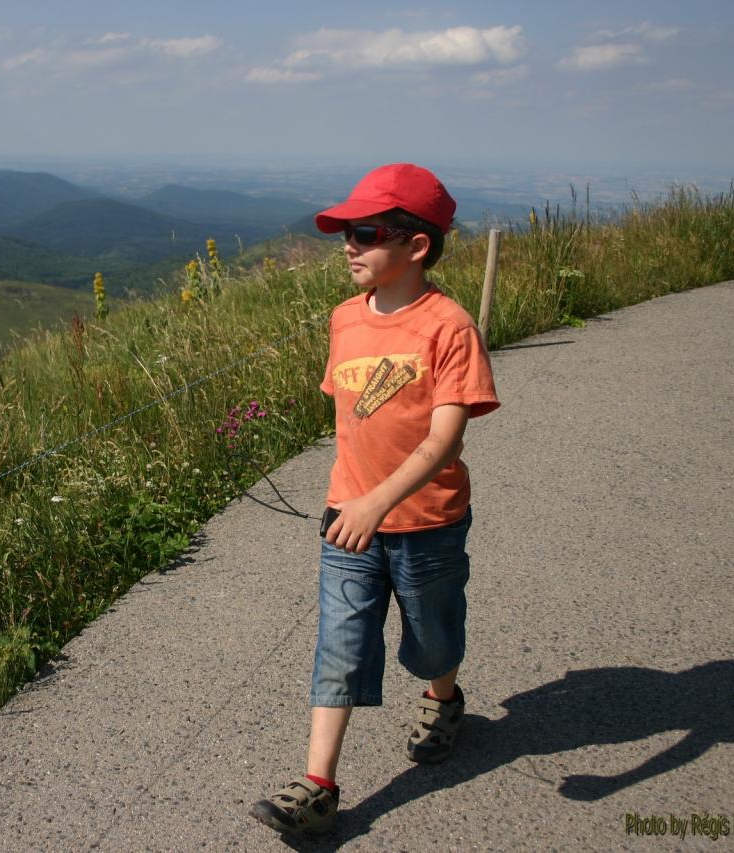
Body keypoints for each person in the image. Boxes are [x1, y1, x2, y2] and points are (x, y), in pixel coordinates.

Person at [250, 163, 500, 835]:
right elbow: (354, 420)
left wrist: (378, 503)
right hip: (348, 522)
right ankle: (318, 783)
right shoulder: (344, 319)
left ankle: (443, 698)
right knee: (340, 644)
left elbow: (444, 440)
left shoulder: (448, 328)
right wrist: (352, 504)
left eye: (365, 232)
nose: (349, 246)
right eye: (346, 233)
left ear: (417, 246)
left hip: (427, 523)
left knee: (430, 641)